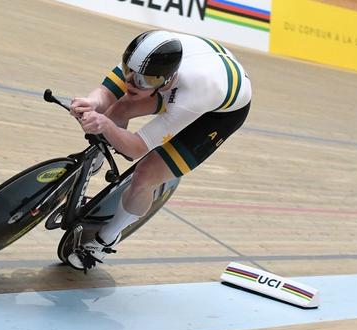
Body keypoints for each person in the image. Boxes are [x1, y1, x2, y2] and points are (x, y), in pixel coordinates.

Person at [67, 29, 252, 271]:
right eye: (129, 74)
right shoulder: (145, 57)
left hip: (218, 114)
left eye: (145, 80)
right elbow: (107, 94)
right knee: (120, 108)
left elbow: (136, 148)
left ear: (166, 79)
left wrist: (106, 126)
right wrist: (92, 103)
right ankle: (99, 156)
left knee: (146, 174)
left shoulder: (192, 96)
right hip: (194, 74)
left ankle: (106, 239)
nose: (132, 83)